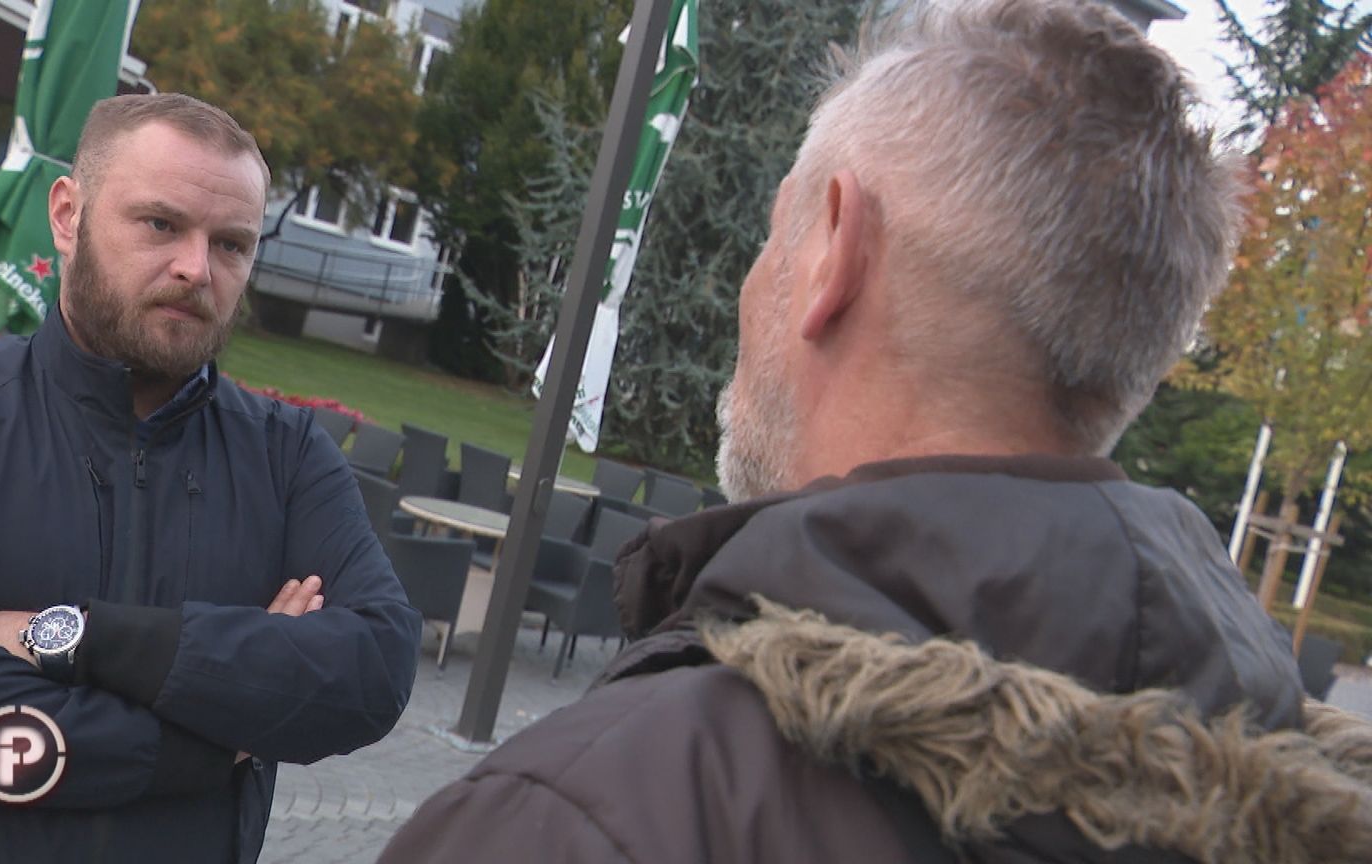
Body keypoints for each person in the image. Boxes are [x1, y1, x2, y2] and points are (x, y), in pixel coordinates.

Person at [379, 0, 1372, 861]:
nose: (752, 286)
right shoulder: (1287, 791)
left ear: (834, 254)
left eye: (775, 236)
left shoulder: (587, 818)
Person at [0, 93, 420, 862]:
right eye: (160, 224)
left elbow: (373, 670)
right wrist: (204, 740)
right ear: (67, 215)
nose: (196, 268)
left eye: (232, 244)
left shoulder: (289, 457)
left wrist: (76, 637)